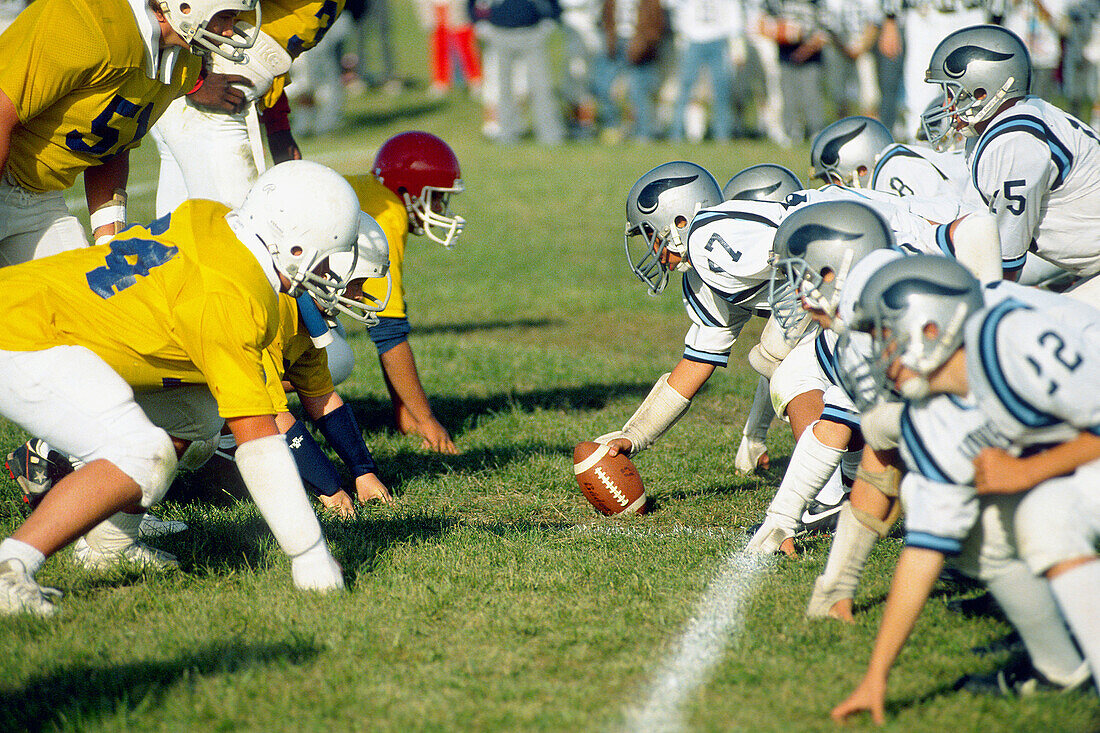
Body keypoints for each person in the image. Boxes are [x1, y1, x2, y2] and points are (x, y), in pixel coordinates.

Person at [0, 160, 359, 616]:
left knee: (196, 413)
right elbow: (258, 441)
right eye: (325, 258)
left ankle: (109, 545)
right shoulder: (231, 294)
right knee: (138, 451)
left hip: (36, 311)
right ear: (291, 245)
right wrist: (309, 556)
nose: (327, 275)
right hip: (24, 332)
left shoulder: (216, 222)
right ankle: (11, 566)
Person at [832, 254, 1100, 723]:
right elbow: (923, 553)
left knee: (1045, 516)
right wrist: (877, 674)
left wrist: (1028, 474)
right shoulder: (931, 417)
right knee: (985, 531)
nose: (880, 357)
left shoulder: (1010, 337)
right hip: (1081, 462)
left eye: (885, 337)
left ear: (931, 326)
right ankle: (1062, 670)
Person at [0, 0, 257, 265]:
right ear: (186, 6)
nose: (229, 31)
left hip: (36, 196)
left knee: (86, 296)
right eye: (225, 16)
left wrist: (108, 236)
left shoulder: (183, 65)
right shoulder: (88, 21)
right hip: (6, 173)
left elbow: (111, 139)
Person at [595, 161, 785, 470]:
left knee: (783, 355)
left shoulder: (714, 243)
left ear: (680, 220)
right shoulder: (703, 274)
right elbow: (696, 363)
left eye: (652, 235)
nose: (652, 248)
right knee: (782, 355)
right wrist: (634, 436)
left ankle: (835, 487)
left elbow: (806, 259)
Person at [923, 24, 1100, 303]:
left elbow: (1001, 269)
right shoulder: (1015, 118)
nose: (946, 104)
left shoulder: (1015, 144)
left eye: (951, 92)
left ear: (983, 90)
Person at [349, 131, 465, 454]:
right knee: (333, 359)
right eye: (436, 196)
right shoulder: (387, 215)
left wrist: (406, 414)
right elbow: (388, 332)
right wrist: (426, 419)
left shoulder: (370, 192)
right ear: (405, 189)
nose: (441, 207)